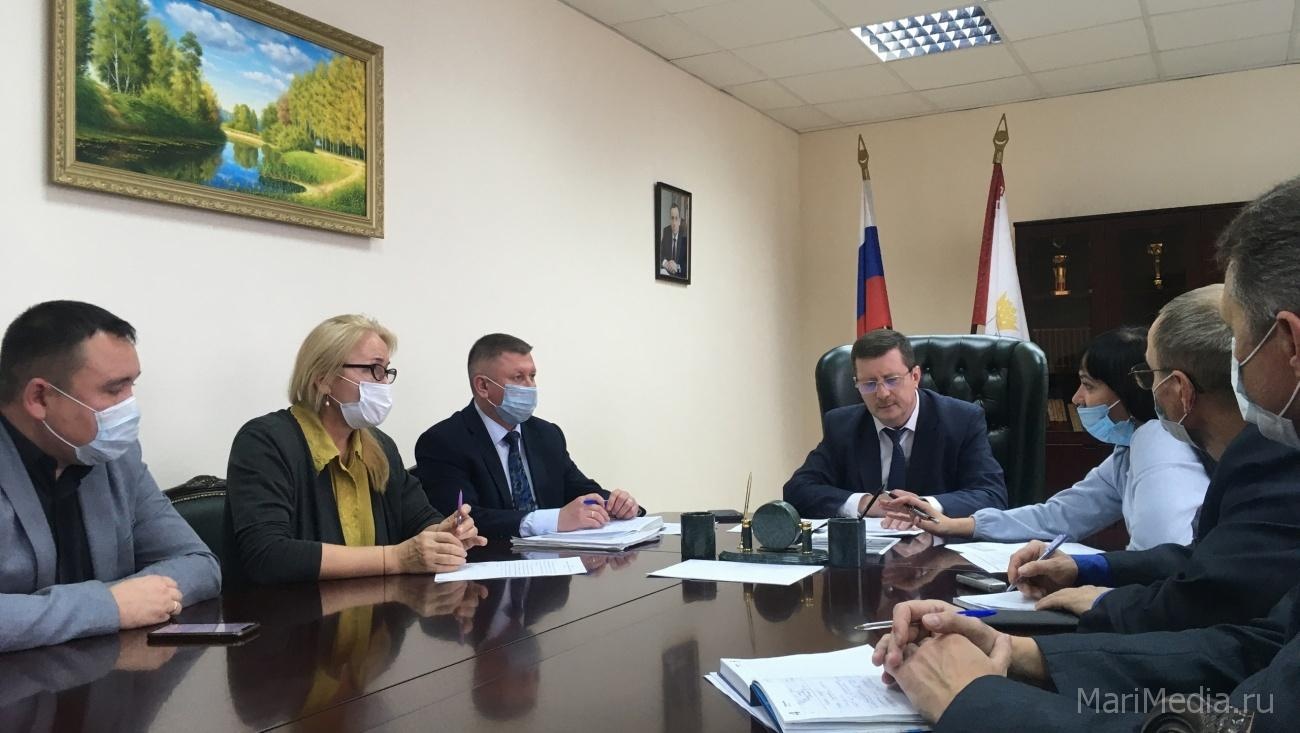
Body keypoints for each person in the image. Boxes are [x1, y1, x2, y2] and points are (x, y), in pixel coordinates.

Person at [871, 175, 1300, 732]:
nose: (1230, 361)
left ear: (1288, 343)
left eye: (1236, 340)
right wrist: (1022, 652)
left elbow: (1237, 690)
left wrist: (979, 702)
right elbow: (1261, 647)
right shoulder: (1209, 451)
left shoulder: (1259, 454)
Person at [1007, 285, 1300, 632]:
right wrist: (1083, 568)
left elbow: (1210, 601)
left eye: (1148, 376)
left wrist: (1103, 603)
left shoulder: (1270, 459)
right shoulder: (1244, 452)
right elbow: (1198, 557)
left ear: (1180, 389)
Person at [0, 301, 220, 653]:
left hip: (107, 673)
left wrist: (140, 597)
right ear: (39, 397)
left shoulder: (115, 456)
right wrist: (107, 606)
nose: (129, 407)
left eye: (132, 385)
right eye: (114, 390)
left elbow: (199, 565)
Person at [889, 327, 1209, 550]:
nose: (1077, 398)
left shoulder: (1159, 443)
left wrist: (1089, 584)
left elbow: (1158, 560)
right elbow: (1058, 516)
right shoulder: (1130, 448)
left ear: (1127, 389)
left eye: (1088, 385)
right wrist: (956, 525)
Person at [224, 315, 484, 586]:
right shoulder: (265, 441)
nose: (383, 383)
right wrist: (395, 558)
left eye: (386, 372)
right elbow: (268, 555)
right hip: (288, 609)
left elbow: (420, 518)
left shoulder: (380, 445)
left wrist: (443, 536)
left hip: (373, 606)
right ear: (323, 379)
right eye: (373, 369)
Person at [413, 333, 643, 540]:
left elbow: (579, 489)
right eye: (518, 377)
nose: (530, 386)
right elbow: (461, 520)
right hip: (487, 565)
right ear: (483, 386)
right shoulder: (443, 442)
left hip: (554, 564)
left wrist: (616, 504)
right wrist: (554, 520)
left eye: (532, 376)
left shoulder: (547, 434)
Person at [783, 328, 1008, 520]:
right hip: (867, 550)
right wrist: (864, 503)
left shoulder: (961, 420)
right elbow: (797, 490)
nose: (882, 393)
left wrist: (924, 506)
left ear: (915, 377)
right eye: (869, 384)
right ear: (856, 384)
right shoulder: (843, 425)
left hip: (940, 549)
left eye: (891, 380)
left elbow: (992, 495)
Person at [658, 203, 688, 277]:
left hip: (679, 277)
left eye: (676, 218)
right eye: (672, 218)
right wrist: (666, 263)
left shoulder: (685, 235)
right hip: (667, 274)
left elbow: (687, 264)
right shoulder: (666, 231)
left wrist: (677, 267)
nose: (674, 223)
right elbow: (660, 253)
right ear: (670, 220)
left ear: (679, 221)